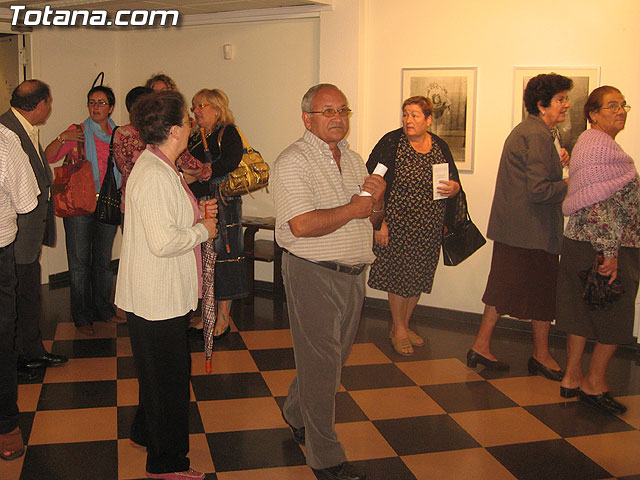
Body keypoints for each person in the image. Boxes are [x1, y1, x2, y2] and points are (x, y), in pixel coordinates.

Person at [272, 83, 385, 480]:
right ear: (308, 118)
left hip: (353, 275)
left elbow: (369, 218)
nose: (338, 118)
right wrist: (355, 207)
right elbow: (301, 226)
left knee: (330, 362)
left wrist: (377, 200)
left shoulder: (354, 162)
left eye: (343, 110)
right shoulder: (293, 161)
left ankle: (293, 410)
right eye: (328, 111)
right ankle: (326, 456)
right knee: (322, 368)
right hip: (312, 274)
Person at [114, 91, 217, 480]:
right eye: (188, 121)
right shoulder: (156, 173)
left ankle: (145, 432)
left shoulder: (160, 165)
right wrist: (202, 229)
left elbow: (167, 221)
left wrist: (196, 216)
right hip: (157, 297)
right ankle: (166, 463)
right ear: (174, 130)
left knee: (155, 373)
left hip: (155, 294)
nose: (192, 124)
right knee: (170, 381)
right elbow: (163, 241)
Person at [467, 73, 572, 378]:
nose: (566, 105)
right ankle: (538, 354)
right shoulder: (537, 134)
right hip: (531, 231)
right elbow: (539, 190)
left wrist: (559, 162)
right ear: (542, 105)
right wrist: (569, 181)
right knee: (537, 293)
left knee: (503, 290)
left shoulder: (536, 131)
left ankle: (481, 346)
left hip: (520, 229)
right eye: (561, 99)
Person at [556, 86, 637, 414]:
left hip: (582, 245)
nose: (621, 111)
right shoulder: (599, 147)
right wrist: (610, 253)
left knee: (580, 314)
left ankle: (571, 378)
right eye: (612, 106)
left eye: (623, 106)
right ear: (593, 113)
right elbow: (599, 205)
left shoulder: (590, 145)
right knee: (614, 318)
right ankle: (594, 383)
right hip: (604, 247)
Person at [366, 96, 460, 356]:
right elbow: (372, 183)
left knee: (418, 277)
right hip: (397, 224)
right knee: (399, 278)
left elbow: (452, 182)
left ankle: (404, 326)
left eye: (415, 115)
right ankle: (397, 329)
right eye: (405, 114)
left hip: (429, 226)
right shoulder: (392, 143)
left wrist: (454, 188)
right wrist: (379, 222)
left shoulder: (439, 146)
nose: (408, 120)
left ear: (429, 120)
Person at [0, 80, 67, 372]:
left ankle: (27, 348)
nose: (49, 108)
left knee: (25, 293)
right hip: (16, 232)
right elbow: (23, 195)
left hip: (26, 230)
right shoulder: (8, 132)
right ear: (40, 105)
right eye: (48, 103)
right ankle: (25, 353)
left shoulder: (20, 126)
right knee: (20, 295)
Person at [45, 85, 122, 335]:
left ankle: (104, 309)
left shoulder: (118, 135)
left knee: (102, 261)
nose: (95, 107)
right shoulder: (77, 132)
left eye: (101, 103)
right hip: (79, 204)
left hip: (108, 202)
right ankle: (81, 316)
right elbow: (48, 157)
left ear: (110, 107)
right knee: (79, 264)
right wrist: (61, 138)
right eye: (91, 102)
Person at [180, 88, 247, 337]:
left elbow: (231, 161)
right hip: (199, 203)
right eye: (194, 106)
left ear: (217, 109)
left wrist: (204, 170)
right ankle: (206, 313)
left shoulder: (228, 132)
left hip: (223, 205)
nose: (195, 111)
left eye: (201, 106)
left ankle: (223, 318)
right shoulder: (196, 137)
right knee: (202, 259)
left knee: (223, 258)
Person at [0, 124, 40, 461]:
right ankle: (6, 425)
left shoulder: (4, 140)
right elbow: (26, 202)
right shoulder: (6, 138)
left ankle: (6, 424)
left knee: (2, 340)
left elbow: (27, 202)